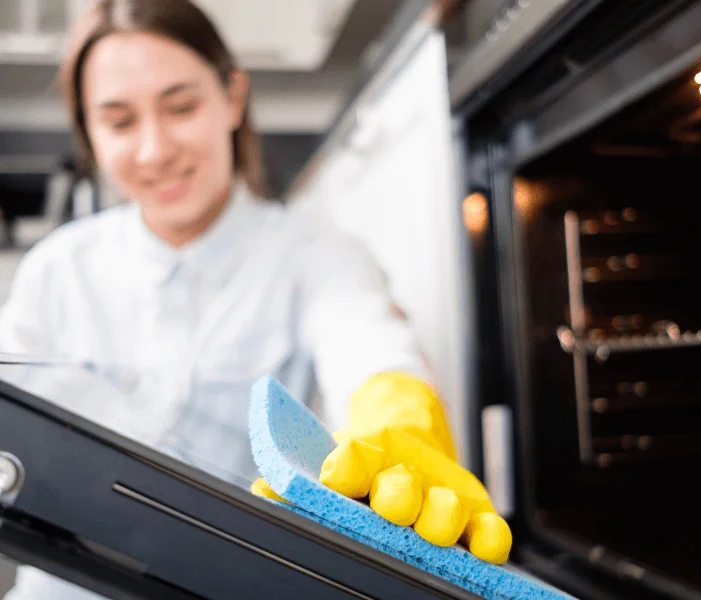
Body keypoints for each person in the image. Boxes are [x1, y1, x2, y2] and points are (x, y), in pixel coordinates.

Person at [0, 1, 510, 598]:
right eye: (119, 122)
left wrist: (402, 420)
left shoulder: (314, 253)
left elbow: (371, 347)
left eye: (182, 106)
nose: (154, 149)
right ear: (88, 132)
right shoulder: (56, 269)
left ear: (233, 97)